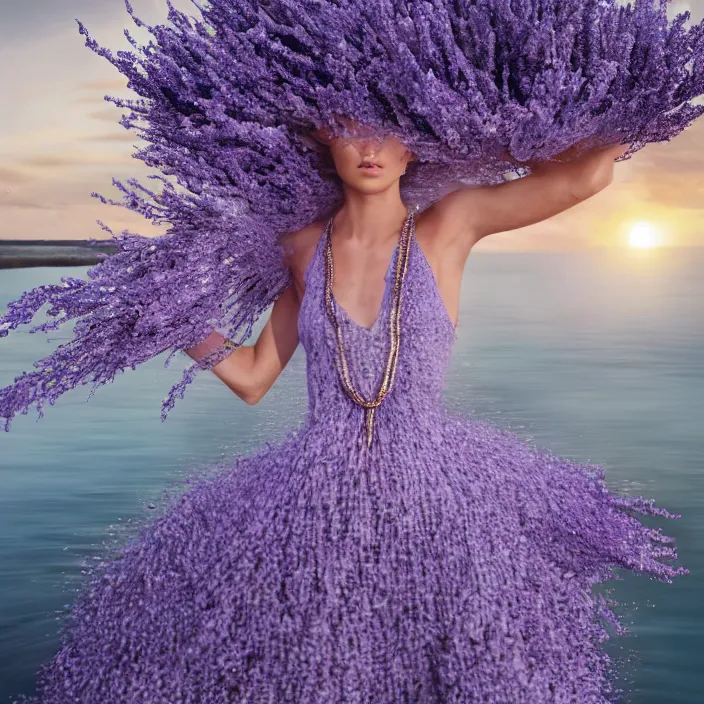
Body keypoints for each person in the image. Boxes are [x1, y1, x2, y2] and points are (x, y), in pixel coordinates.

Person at [13, 119, 686, 704]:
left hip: (434, 504)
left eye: (385, 132)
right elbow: (252, 378)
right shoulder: (301, 249)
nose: (369, 148)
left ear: (414, 146)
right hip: (311, 506)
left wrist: (520, 122)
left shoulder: (452, 224)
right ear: (321, 142)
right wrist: (176, 322)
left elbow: (591, 174)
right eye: (348, 130)